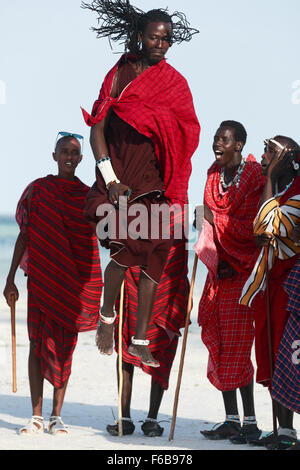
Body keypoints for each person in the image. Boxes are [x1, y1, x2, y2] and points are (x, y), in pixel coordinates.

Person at [81, 0, 200, 436]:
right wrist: (109, 177)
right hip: (120, 184)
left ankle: (142, 341)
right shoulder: (120, 73)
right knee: (125, 255)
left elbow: (187, 131)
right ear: (139, 36)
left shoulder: (175, 82)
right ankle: (107, 317)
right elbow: (97, 126)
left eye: (167, 37)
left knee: (153, 262)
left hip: (158, 187)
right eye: (155, 36)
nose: (162, 44)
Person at [3, 133, 103, 435]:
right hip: (42, 281)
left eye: (74, 152)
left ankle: (56, 415)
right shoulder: (38, 190)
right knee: (36, 342)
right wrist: (9, 279)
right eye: (64, 152)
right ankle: (35, 414)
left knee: (65, 348)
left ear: (82, 158)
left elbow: (101, 238)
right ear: (54, 156)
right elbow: (25, 235)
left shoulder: (88, 197)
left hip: (73, 285)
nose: (69, 157)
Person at [194, 121, 265, 444]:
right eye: (215, 139)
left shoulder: (253, 176)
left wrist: (214, 219)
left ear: (238, 144)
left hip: (244, 274)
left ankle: (250, 421)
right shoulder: (212, 175)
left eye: (223, 140)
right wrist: (206, 226)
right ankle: (230, 420)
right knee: (220, 346)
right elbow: (208, 219)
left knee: (238, 349)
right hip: (218, 272)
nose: (216, 144)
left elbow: (253, 228)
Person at [240, 136, 300, 450]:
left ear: (290, 159)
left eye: (271, 153)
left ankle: (289, 432)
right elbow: (262, 233)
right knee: (273, 356)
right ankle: (282, 430)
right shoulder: (278, 193)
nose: (264, 157)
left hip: (292, 289)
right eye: (265, 152)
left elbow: (264, 229)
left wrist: (268, 178)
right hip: (271, 286)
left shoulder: (298, 193)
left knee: (288, 356)